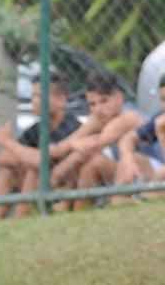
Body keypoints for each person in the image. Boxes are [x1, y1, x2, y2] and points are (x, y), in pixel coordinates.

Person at [0, 72, 81, 220]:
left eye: (40, 96)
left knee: (33, 170)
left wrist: (8, 142)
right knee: (7, 172)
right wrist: (25, 155)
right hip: (41, 184)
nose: (35, 101)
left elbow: (40, 161)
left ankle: (21, 222)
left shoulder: (71, 126)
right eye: (33, 96)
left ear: (61, 100)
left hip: (63, 187)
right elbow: (3, 158)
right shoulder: (37, 129)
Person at [50, 72, 144, 211]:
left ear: (119, 98)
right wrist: (72, 145)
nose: (98, 109)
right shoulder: (99, 118)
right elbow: (60, 149)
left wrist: (59, 172)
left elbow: (94, 145)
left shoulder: (128, 116)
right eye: (92, 104)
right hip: (120, 175)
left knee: (94, 161)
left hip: (147, 174)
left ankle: (76, 211)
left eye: (104, 101)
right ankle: (68, 206)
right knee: (84, 160)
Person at [112, 74, 165, 203]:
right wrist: (128, 160)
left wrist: (161, 133)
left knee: (161, 174)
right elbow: (127, 139)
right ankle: (118, 202)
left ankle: (143, 198)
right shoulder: (160, 118)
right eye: (163, 99)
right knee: (132, 158)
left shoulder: (161, 125)